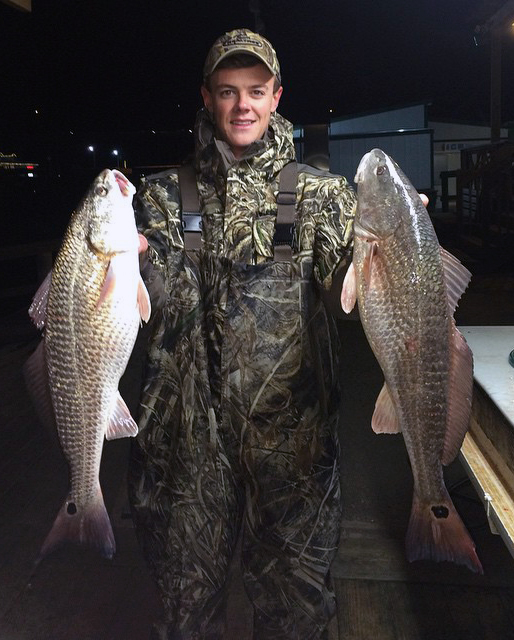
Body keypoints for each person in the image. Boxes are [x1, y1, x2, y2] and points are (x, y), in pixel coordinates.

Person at [128, 28, 356, 640]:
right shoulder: (157, 199)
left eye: (256, 91)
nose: (242, 107)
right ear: (207, 98)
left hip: (294, 461)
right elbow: (131, 306)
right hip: (184, 458)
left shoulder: (325, 199)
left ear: (277, 96)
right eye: (228, 92)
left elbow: (353, 292)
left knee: (296, 618)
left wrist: (391, 243)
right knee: (185, 616)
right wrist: (119, 268)